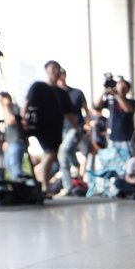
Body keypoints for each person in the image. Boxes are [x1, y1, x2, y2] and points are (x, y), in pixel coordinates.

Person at [22, 60, 80, 198]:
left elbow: (69, 113)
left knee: (52, 155)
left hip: (56, 128)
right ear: (46, 69)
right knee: (50, 154)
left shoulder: (62, 93)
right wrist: (23, 119)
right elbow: (27, 102)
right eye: (53, 68)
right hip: (40, 126)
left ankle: (43, 185)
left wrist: (76, 129)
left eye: (58, 68)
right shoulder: (38, 86)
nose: (56, 71)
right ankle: (43, 185)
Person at [55, 69, 90, 197]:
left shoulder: (76, 93)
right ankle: (69, 182)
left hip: (75, 128)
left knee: (64, 151)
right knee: (63, 157)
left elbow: (86, 110)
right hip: (60, 129)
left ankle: (73, 172)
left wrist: (87, 124)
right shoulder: (55, 93)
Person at [94, 78, 135, 154]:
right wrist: (104, 92)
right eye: (119, 87)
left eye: (123, 87)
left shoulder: (131, 102)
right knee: (113, 160)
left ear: (127, 90)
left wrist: (116, 94)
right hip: (113, 138)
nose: (120, 89)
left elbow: (127, 109)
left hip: (127, 138)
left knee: (128, 158)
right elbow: (97, 106)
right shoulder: (112, 102)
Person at [0, 92, 27, 182]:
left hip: (16, 141)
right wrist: (5, 141)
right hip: (9, 142)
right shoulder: (4, 111)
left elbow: (11, 121)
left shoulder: (14, 108)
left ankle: (21, 185)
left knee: (15, 167)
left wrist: (6, 106)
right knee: (8, 165)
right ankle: (20, 183)